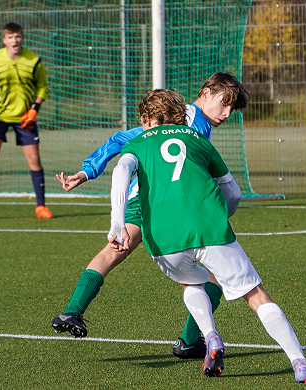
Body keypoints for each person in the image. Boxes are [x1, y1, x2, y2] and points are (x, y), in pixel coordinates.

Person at [107, 88, 306, 383]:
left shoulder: (136, 144)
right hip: (210, 228)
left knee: (192, 282)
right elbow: (234, 193)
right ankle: (300, 363)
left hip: (162, 237)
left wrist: (116, 223)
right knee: (256, 295)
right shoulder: (199, 139)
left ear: (148, 119)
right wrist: (221, 216)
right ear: (180, 116)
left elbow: (121, 172)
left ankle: (211, 336)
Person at [51, 72, 247, 359]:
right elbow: (126, 139)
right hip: (164, 204)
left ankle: (72, 311)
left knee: (115, 251)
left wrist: (86, 172)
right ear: (205, 93)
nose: (227, 113)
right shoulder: (186, 119)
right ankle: (191, 341)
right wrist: (88, 170)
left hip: (142, 200)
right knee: (210, 276)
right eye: (224, 104)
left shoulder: (198, 122)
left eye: (233, 109)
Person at [0, 22, 53, 219]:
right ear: (4, 40)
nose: (15, 40)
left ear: (23, 38)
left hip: (25, 118)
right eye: (11, 37)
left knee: (34, 159)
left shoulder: (34, 60)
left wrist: (34, 110)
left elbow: (42, 87)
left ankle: (41, 207)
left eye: (18, 36)